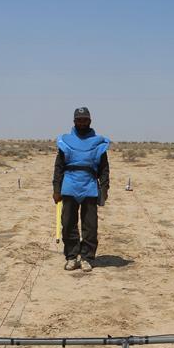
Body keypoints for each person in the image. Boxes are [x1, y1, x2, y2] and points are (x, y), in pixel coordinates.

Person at [52, 107, 110, 272]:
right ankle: (72, 256)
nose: (82, 122)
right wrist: (57, 189)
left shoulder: (98, 142)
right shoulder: (65, 141)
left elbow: (104, 169)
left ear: (90, 121)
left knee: (90, 226)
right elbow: (59, 167)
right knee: (68, 223)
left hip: (90, 186)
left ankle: (86, 257)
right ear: (74, 121)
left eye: (85, 119)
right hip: (69, 186)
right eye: (79, 120)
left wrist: (104, 189)